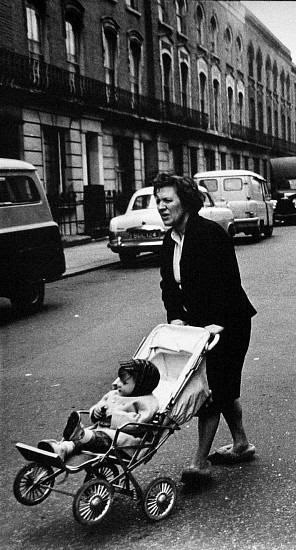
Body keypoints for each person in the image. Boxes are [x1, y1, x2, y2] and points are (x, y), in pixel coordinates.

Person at [153, 172, 258, 485]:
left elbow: (230, 284)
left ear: (185, 201)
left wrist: (218, 323)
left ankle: (200, 463)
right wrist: (176, 317)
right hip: (198, 329)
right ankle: (241, 445)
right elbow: (168, 285)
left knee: (212, 390)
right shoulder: (169, 240)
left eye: (167, 200)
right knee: (223, 389)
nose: (161, 206)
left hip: (230, 323)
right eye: (157, 200)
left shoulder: (210, 234)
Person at [37, 359, 160, 461]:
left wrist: (113, 417)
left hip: (124, 441)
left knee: (89, 436)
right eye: (119, 379)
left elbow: (140, 424)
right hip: (101, 432)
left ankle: (77, 436)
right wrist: (96, 411)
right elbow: (100, 404)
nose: (118, 384)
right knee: (84, 438)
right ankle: (62, 448)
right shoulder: (114, 394)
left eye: (124, 382)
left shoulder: (147, 401)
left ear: (141, 385)